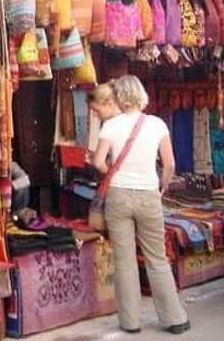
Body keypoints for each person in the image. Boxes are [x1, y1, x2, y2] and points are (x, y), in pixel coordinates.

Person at [90, 76, 190, 335]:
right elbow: (169, 165)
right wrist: (162, 187)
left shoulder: (111, 126)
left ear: (119, 97)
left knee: (124, 260)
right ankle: (174, 319)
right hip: (148, 195)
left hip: (118, 196)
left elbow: (98, 162)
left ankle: (130, 322)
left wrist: (113, 172)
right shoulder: (156, 124)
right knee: (157, 257)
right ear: (141, 94)